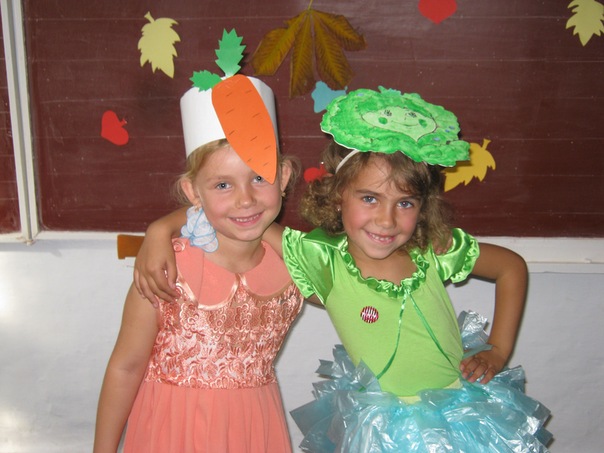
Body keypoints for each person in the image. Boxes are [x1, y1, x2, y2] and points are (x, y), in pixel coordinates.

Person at [133, 88, 552, 452]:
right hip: (386, 429)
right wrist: (160, 229)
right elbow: (234, 212)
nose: (386, 220)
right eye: (369, 198)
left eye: (405, 203)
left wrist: (498, 349)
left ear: (423, 207)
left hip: (463, 416)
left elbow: (511, 268)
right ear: (338, 197)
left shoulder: (432, 252)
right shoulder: (322, 260)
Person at [93, 73, 305, 453]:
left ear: (284, 176)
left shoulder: (297, 268)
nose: (245, 199)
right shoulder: (166, 269)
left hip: (253, 434)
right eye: (223, 184)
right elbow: (125, 367)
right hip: (169, 435)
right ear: (193, 191)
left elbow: (355, 295)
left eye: (259, 177)